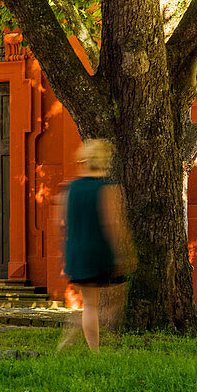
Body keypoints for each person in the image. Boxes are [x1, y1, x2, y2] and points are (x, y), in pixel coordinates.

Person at [58, 139, 136, 352]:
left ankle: (86, 345)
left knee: (90, 305)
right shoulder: (107, 188)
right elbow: (113, 223)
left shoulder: (70, 188)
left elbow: (62, 222)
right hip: (98, 250)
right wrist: (124, 253)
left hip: (77, 251)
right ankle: (85, 339)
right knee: (116, 300)